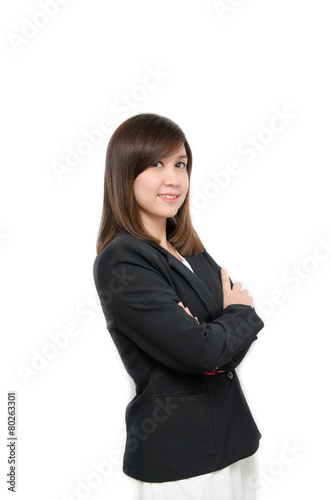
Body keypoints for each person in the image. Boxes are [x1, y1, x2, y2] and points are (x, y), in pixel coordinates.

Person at [93, 113, 265, 499]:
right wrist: (235, 315)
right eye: (156, 164)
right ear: (125, 172)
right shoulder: (122, 260)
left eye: (180, 164)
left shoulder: (187, 246)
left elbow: (217, 351)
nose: (173, 178)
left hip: (233, 441)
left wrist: (212, 337)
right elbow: (202, 349)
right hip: (182, 458)